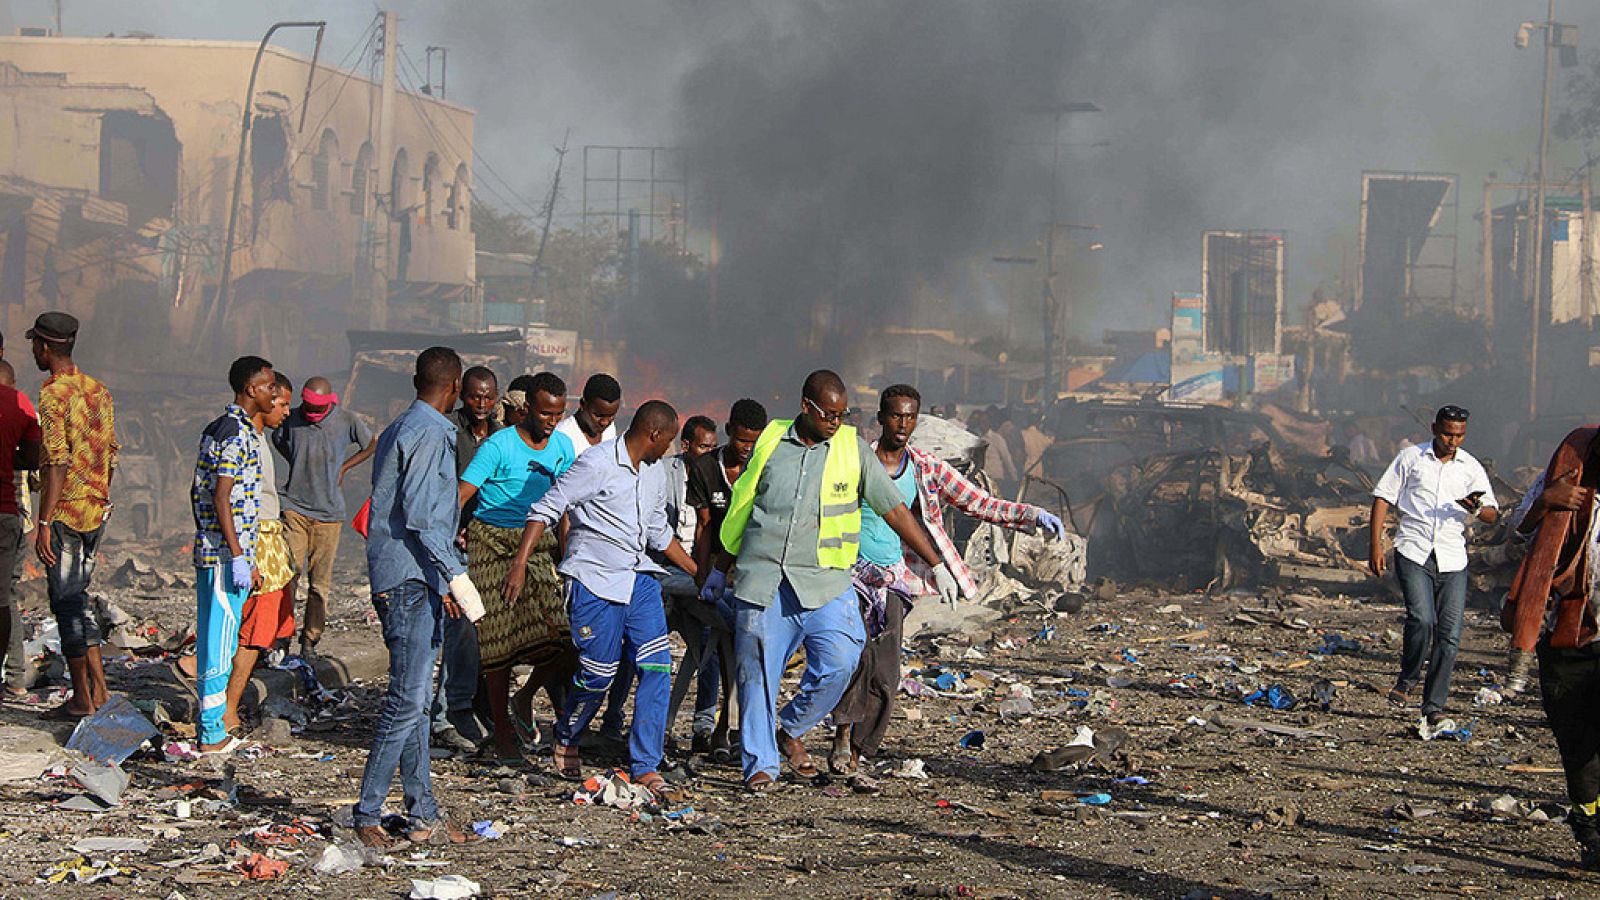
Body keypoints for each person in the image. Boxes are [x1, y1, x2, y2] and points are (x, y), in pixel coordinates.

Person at [701, 370, 951, 792]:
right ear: (805, 407)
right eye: (829, 414)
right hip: (764, 579)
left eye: (843, 413)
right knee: (756, 672)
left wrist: (935, 562)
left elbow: (893, 508)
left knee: (840, 661)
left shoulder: (852, 450)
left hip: (825, 583)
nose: (837, 421)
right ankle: (760, 764)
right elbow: (742, 507)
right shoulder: (769, 441)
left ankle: (789, 727)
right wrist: (717, 568)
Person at [830, 385, 1065, 778]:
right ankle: (840, 739)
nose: (903, 425)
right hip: (850, 573)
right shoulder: (855, 463)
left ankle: (859, 748)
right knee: (854, 659)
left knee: (886, 674)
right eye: (895, 416)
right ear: (881, 418)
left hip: (894, 578)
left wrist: (1030, 514)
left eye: (910, 417)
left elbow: (979, 502)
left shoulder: (925, 468)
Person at [502, 400, 696, 792]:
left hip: (639, 579)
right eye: (669, 441)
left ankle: (646, 763)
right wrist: (520, 564)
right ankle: (568, 734)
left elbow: (658, 531)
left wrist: (698, 572)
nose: (670, 451)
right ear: (654, 434)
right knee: (598, 674)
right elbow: (547, 508)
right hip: (594, 579)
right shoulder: (597, 463)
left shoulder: (655, 473)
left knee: (657, 667)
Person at [355, 347, 485, 849]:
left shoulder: (398, 426)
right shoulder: (432, 432)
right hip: (410, 579)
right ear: (453, 387)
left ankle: (423, 812)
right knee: (405, 700)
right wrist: (456, 577)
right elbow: (423, 517)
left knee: (415, 700)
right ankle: (367, 812)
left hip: (405, 575)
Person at [457, 371, 576, 764]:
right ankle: (503, 734)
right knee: (498, 644)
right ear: (527, 410)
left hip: (538, 542)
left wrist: (566, 551)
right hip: (491, 540)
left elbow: (566, 504)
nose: (551, 422)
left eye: (558, 415)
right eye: (545, 414)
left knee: (562, 641)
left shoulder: (562, 447)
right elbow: (464, 493)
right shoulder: (498, 445)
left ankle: (525, 698)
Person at [1501, 425, 1600, 868]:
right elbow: (1517, 535)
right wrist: (1547, 503)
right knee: (1578, 746)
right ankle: (1590, 831)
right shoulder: (1568, 470)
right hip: (1570, 635)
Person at [1369, 404, 1498, 733]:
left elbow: (1493, 515)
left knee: (1450, 635)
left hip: (1453, 558)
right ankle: (1408, 678)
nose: (1452, 441)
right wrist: (1376, 544)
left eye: (1459, 435)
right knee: (1422, 618)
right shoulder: (1411, 458)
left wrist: (1477, 507)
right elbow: (1383, 497)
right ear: (1433, 428)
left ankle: (1433, 707)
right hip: (1413, 550)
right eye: (1446, 433)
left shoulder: (1470, 467)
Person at [597, 414, 717, 752]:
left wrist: (701, 572)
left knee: (709, 646)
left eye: (713, 447)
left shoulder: (716, 476)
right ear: (686, 446)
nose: (708, 453)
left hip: (693, 572)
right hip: (659, 572)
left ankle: (703, 727)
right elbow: (655, 532)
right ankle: (613, 719)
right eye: (702, 447)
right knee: (638, 651)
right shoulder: (660, 470)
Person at [30, 312, 117, 720]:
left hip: (65, 514)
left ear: (45, 348)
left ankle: (82, 698)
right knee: (79, 600)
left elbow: (56, 462)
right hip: (96, 511)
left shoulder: (52, 396)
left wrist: (44, 522)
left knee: (65, 604)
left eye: (35, 344)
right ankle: (99, 690)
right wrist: (100, 496)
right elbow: (110, 453)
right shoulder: (98, 390)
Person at [190, 356, 275, 752]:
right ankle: (211, 733)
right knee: (220, 643)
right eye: (269, 386)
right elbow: (221, 495)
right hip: (224, 557)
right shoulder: (236, 434)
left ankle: (210, 728)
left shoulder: (219, 427)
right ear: (250, 389)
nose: (273, 393)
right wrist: (238, 555)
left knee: (214, 639)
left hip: (222, 552)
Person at [679, 399, 770, 758]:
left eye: (753, 442)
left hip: (755, 566)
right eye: (741, 440)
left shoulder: (766, 467)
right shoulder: (704, 468)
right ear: (729, 430)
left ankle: (729, 729)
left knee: (746, 646)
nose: (746, 448)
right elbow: (703, 526)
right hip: (719, 564)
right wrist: (704, 576)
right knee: (718, 644)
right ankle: (717, 727)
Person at [273, 375, 376, 658]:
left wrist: (344, 467)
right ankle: (282, 636)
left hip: (329, 514)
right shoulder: (291, 419)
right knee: (288, 576)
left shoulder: (346, 420)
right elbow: (278, 439)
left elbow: (371, 444)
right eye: (308, 407)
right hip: (294, 507)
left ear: (330, 403)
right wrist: (299, 462)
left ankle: (310, 639)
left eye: (318, 409)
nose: (312, 414)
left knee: (319, 584)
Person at [429, 365, 501, 754]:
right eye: (475, 396)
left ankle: (462, 707)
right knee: (452, 632)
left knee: (474, 635)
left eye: (489, 397)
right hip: (452, 545)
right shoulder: (449, 432)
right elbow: (445, 490)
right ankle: (442, 716)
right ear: (461, 393)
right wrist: (453, 528)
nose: (482, 404)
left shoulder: (498, 435)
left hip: (484, 546)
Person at [222, 373, 296, 731]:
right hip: (257, 543)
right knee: (252, 631)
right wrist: (244, 554)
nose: (284, 411)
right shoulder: (244, 439)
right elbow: (232, 500)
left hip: (266, 540)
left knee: (253, 629)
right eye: (281, 403)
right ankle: (227, 708)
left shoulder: (259, 440)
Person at [0, 357, 40, 701]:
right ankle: (14, 676)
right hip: (14, 515)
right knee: (6, 597)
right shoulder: (24, 407)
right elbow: (34, 464)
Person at [555, 373, 621, 458]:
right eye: (598, 415)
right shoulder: (562, 436)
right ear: (583, 404)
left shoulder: (610, 429)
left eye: (611, 415)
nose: (604, 422)